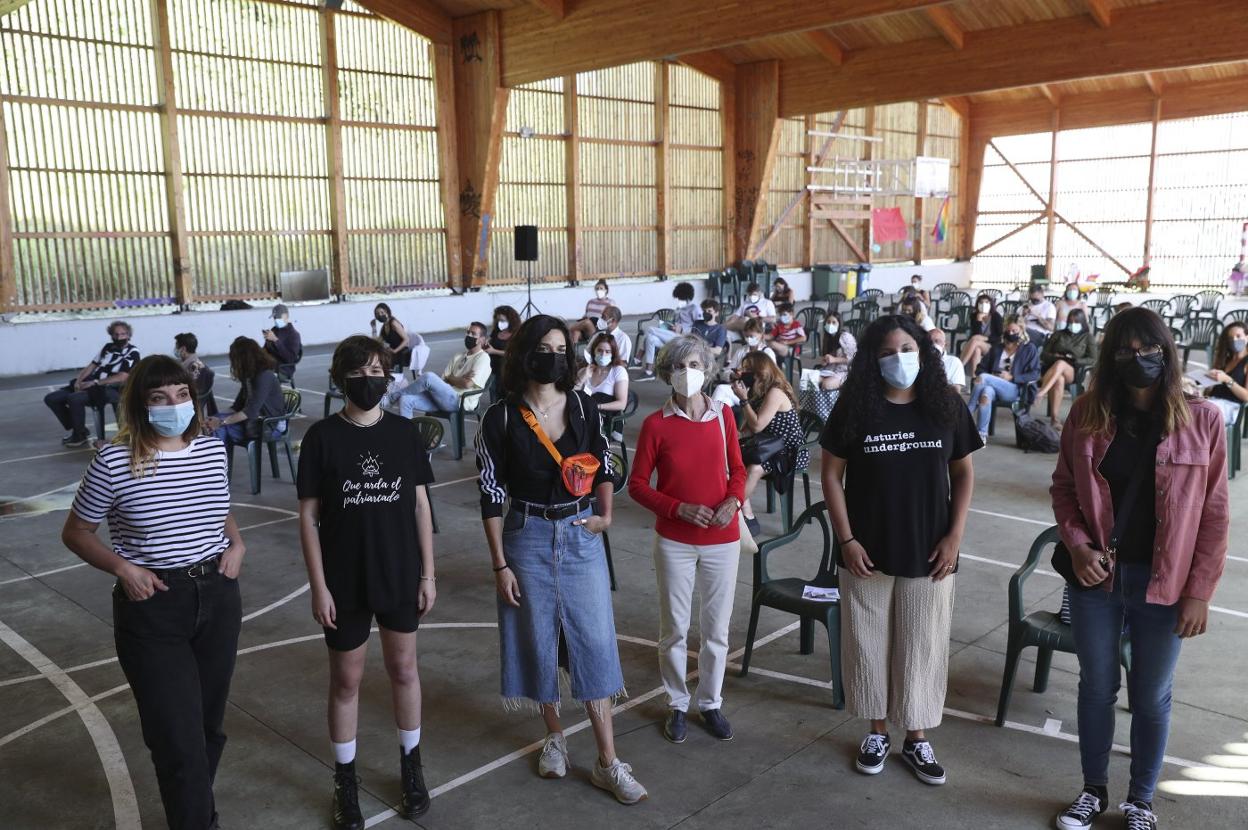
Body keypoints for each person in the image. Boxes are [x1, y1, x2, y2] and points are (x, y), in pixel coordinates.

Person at [1050, 307, 1228, 830]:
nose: (1139, 358)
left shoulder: (1203, 419)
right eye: (1126, 350)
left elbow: (1215, 514)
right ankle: (1093, 790)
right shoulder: (1087, 413)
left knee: (1151, 696)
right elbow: (1064, 489)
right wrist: (1078, 546)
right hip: (1097, 580)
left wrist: (1199, 592)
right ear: (1110, 357)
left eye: (1149, 349)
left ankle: (1141, 802)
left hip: (1165, 583)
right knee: (1096, 687)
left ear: (1168, 353)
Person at [61, 354, 245, 830]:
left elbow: (218, 507)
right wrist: (123, 568)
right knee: (176, 739)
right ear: (141, 405)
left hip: (218, 595)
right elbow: (76, 531)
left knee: (207, 729)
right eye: (160, 397)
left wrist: (237, 543)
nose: (174, 405)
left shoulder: (211, 450)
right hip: (154, 605)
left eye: (182, 395)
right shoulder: (114, 461)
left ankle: (195, 813)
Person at [474, 315, 646, 805]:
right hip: (525, 536)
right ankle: (554, 735)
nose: (553, 357)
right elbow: (490, 492)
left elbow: (604, 462)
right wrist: (499, 564)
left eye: (561, 349)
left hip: (579, 532)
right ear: (524, 354)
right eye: (544, 348)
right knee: (538, 638)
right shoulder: (499, 418)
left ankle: (608, 761)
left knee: (593, 639)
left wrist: (605, 516)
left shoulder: (585, 406)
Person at [820, 314, 980, 789]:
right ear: (872, 359)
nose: (899, 359)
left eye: (907, 349)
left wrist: (955, 536)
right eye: (887, 352)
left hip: (931, 551)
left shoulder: (946, 405)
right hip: (865, 552)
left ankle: (916, 736)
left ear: (923, 352)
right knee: (867, 642)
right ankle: (876, 733)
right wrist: (846, 540)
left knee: (922, 645)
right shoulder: (854, 407)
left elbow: (963, 473)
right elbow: (831, 475)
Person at [297, 335, 437, 830]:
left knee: (404, 670)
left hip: (399, 573)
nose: (368, 380)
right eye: (358, 373)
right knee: (346, 681)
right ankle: (345, 779)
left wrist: (428, 573)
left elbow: (420, 506)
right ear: (341, 379)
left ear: (388, 376)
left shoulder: (403, 433)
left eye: (377, 371)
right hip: (344, 580)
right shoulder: (322, 438)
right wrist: (319, 586)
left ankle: (411, 766)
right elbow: (308, 517)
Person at [629, 335, 746, 744]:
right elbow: (637, 485)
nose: (687, 372)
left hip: (722, 539)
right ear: (667, 373)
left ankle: (710, 703)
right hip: (674, 541)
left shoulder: (724, 416)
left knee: (717, 631)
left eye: (694, 365)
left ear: (707, 370)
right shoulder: (655, 425)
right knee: (674, 629)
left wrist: (733, 501)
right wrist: (677, 508)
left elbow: (739, 470)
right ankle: (677, 703)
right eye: (679, 366)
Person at [731, 352, 810, 536]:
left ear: (760, 371)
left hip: (789, 451)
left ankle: (731, 511)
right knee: (731, 459)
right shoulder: (758, 392)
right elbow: (747, 429)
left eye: (747, 369)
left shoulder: (775, 392)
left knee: (754, 468)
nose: (743, 372)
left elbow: (757, 425)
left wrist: (743, 400)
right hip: (768, 446)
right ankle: (746, 514)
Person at [44, 320, 139, 447]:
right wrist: (79, 381)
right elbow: (92, 365)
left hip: (109, 388)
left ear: (128, 335)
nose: (119, 337)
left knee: (74, 399)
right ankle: (80, 429)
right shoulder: (108, 347)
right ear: (111, 335)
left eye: (123, 334)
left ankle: (78, 436)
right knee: (51, 398)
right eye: (116, 334)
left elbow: (123, 376)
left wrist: (95, 382)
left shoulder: (133, 352)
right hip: (91, 382)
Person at [387, 322, 491, 417]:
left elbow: (467, 384)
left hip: (459, 401)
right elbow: (444, 379)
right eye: (468, 332)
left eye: (473, 334)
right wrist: (457, 379)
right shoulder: (458, 356)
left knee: (428, 377)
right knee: (405, 400)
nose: (469, 336)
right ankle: (408, 432)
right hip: (443, 397)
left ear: (482, 339)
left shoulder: (483, 358)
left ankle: (392, 397)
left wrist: (451, 378)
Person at [968, 316, 1041, 442]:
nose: (1010, 333)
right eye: (1008, 331)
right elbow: (980, 368)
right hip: (993, 385)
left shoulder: (1029, 349)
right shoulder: (997, 348)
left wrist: (1012, 377)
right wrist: (993, 376)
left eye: (1014, 331)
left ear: (1021, 330)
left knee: (984, 378)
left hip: (1014, 389)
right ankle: (981, 434)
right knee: (985, 394)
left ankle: (968, 412)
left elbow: (1035, 374)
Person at [205, 337, 286, 450]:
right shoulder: (249, 376)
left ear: (244, 359)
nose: (233, 364)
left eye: (234, 360)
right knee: (213, 422)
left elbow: (250, 411)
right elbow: (236, 407)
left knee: (220, 428)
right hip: (255, 421)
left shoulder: (264, 376)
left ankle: (217, 459)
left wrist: (221, 422)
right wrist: (214, 418)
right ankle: (218, 458)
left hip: (271, 426)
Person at [1037, 308, 1098, 428]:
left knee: (1061, 363)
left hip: (1073, 370)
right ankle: (1054, 418)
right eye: (1070, 322)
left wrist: (1075, 360)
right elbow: (1044, 354)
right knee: (1059, 379)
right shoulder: (1058, 334)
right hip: (1052, 368)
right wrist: (1054, 356)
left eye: (1076, 322)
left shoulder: (1087, 337)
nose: (1072, 324)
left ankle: (1041, 392)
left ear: (1082, 322)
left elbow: (1093, 359)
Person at [641, 282, 701, 378]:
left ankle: (638, 358)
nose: (679, 300)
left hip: (684, 338)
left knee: (650, 329)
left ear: (687, 298)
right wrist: (669, 326)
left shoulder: (695, 309)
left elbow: (699, 328)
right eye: (678, 298)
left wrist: (682, 330)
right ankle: (648, 371)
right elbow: (675, 323)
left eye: (681, 298)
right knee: (650, 338)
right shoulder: (679, 309)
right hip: (672, 336)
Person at [711, 318, 776, 407]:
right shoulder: (741, 351)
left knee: (721, 389)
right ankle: (717, 415)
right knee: (725, 402)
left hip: (757, 394)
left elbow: (771, 377)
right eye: (746, 336)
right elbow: (726, 371)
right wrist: (733, 375)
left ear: (761, 334)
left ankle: (709, 415)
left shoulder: (768, 353)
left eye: (752, 336)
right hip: (739, 390)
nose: (749, 339)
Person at [1204, 321, 1248, 425]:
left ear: (1247, 337)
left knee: (1199, 413)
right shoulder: (1225, 359)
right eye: (1231, 338)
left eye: (1238, 336)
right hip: (1213, 402)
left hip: (1232, 408)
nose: (1235, 340)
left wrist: (1227, 380)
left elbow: (1247, 396)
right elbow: (1208, 392)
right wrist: (1208, 382)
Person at [577, 333, 629, 414]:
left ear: (613, 354)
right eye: (599, 350)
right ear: (594, 351)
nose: (603, 355)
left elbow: (622, 404)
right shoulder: (585, 370)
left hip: (604, 415)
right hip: (583, 413)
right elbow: (573, 395)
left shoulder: (618, 371)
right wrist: (582, 378)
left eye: (607, 352)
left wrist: (597, 407)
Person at [958, 293, 1003, 373]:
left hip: (992, 346)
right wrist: (978, 320)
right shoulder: (974, 316)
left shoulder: (996, 316)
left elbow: (1000, 337)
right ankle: (975, 376)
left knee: (975, 341)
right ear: (977, 305)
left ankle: (959, 366)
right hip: (977, 344)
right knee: (976, 350)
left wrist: (985, 338)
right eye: (981, 302)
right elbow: (975, 334)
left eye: (986, 302)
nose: (984, 305)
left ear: (991, 304)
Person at [371, 303, 418, 374]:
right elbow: (377, 341)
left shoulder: (393, 323)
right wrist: (374, 328)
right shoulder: (384, 326)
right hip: (391, 350)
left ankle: (393, 375)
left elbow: (406, 339)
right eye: (377, 314)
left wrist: (395, 351)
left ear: (387, 312)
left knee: (384, 361)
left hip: (401, 351)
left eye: (382, 312)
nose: (380, 315)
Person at [818, 311, 857, 391]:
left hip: (846, 371)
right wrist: (825, 361)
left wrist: (834, 359)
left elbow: (853, 358)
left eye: (834, 322)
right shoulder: (827, 338)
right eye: (828, 322)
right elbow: (827, 356)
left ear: (839, 324)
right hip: (830, 369)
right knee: (811, 380)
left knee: (826, 384)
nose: (830, 325)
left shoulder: (845, 337)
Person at [263, 304, 303, 381]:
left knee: (262, 374)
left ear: (286, 316)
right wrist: (267, 343)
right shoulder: (274, 330)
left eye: (278, 317)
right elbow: (266, 350)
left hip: (284, 369)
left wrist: (276, 340)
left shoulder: (294, 335)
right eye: (274, 318)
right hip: (271, 364)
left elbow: (290, 359)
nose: (276, 320)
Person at [570, 279, 614, 344]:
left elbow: (611, 319)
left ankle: (566, 329)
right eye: (597, 288)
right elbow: (586, 314)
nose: (599, 290)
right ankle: (573, 350)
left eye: (601, 288)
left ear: (606, 290)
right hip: (586, 328)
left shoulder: (610, 303)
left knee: (587, 322)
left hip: (599, 329)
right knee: (576, 332)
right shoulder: (590, 302)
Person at [486, 305, 522, 383]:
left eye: (502, 321)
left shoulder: (518, 334)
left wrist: (494, 351)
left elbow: (515, 354)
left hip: (509, 371)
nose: (500, 323)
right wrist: (485, 342)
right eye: (498, 320)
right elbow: (490, 339)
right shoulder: (497, 331)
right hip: (493, 369)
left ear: (511, 320)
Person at [929, 328, 966, 392]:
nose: (933, 344)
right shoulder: (918, 361)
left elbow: (956, 390)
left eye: (937, 341)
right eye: (930, 342)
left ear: (945, 345)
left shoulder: (954, 362)